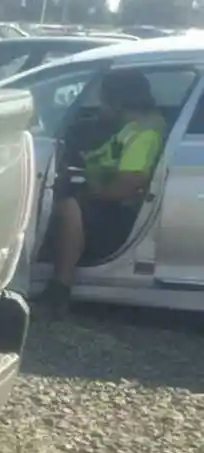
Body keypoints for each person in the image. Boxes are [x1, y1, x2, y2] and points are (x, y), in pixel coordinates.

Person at [39, 70, 167, 316]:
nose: (99, 106)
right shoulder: (132, 128)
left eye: (102, 100)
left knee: (67, 207)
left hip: (120, 210)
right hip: (109, 199)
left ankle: (59, 289)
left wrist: (88, 191)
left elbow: (127, 185)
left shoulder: (144, 134)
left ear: (117, 102)